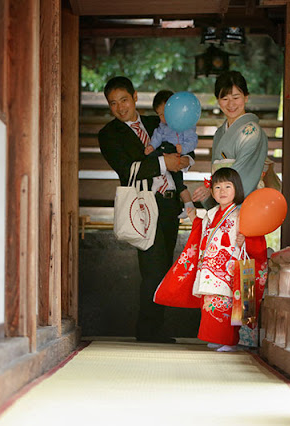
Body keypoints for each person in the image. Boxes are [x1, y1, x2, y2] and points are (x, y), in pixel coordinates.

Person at [98, 76, 190, 344]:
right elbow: (127, 170)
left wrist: (183, 160)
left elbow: (178, 149)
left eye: (124, 100)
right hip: (143, 207)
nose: (120, 107)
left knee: (164, 268)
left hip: (169, 204)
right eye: (113, 103)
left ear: (135, 97)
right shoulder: (108, 134)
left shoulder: (155, 123)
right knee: (152, 269)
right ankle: (148, 330)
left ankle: (155, 327)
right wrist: (164, 163)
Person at [189, 168, 267, 351]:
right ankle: (218, 338)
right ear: (212, 192)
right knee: (212, 304)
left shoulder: (243, 213)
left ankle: (231, 341)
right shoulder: (211, 214)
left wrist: (246, 239)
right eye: (217, 187)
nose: (222, 191)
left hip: (232, 268)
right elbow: (202, 234)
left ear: (236, 189)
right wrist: (193, 218)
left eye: (227, 186)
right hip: (212, 269)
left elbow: (257, 236)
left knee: (230, 303)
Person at [191, 70, 268, 207]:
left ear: (246, 97)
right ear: (218, 101)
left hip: (243, 205)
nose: (231, 104)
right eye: (225, 99)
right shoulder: (220, 133)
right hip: (222, 203)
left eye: (236, 97)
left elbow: (242, 173)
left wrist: (213, 189)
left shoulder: (252, 132)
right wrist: (213, 189)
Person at [145, 90, 198, 219]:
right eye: (159, 115)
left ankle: (189, 205)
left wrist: (183, 149)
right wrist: (151, 146)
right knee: (152, 157)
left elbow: (193, 141)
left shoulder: (185, 125)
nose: (163, 118)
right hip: (163, 150)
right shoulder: (162, 126)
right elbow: (157, 136)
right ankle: (157, 181)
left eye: (165, 114)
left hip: (176, 152)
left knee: (179, 183)